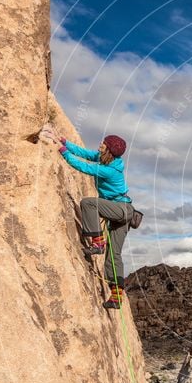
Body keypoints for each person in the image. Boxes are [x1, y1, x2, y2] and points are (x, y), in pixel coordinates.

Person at [55, 132, 133, 310]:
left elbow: (83, 167)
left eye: (103, 144)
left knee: (88, 203)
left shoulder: (109, 170)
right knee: (114, 255)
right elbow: (84, 154)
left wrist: (62, 151)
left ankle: (98, 243)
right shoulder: (105, 159)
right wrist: (65, 141)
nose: (100, 145)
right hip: (121, 211)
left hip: (121, 210)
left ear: (109, 150)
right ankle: (116, 297)